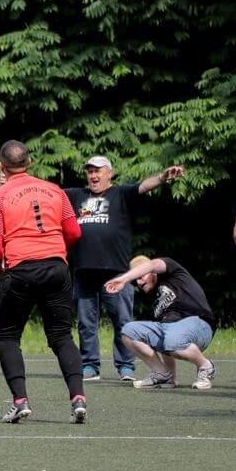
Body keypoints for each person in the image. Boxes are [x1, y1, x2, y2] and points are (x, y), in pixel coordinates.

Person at [0, 140, 86, 424]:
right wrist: (57, 251)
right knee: (61, 335)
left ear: (2, 167)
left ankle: (20, 401)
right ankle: (78, 399)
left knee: (6, 337)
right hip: (56, 267)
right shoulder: (55, 190)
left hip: (20, 270)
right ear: (29, 162)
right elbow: (75, 233)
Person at [64, 156, 184, 381]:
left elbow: (143, 186)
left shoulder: (121, 194)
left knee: (123, 321)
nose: (93, 175)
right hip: (84, 271)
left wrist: (162, 177)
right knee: (86, 323)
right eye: (89, 171)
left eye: (98, 171)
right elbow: (50, 192)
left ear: (110, 173)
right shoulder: (76, 195)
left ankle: (126, 366)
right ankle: (90, 365)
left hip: (117, 272)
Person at [105, 256, 217, 391]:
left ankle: (205, 366)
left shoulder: (172, 270)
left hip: (199, 324)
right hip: (172, 333)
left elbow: (152, 264)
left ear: (153, 272)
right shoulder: (156, 298)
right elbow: (164, 339)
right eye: (136, 280)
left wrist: (123, 279)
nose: (138, 282)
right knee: (129, 331)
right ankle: (163, 374)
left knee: (171, 337)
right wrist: (172, 378)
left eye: (140, 276)